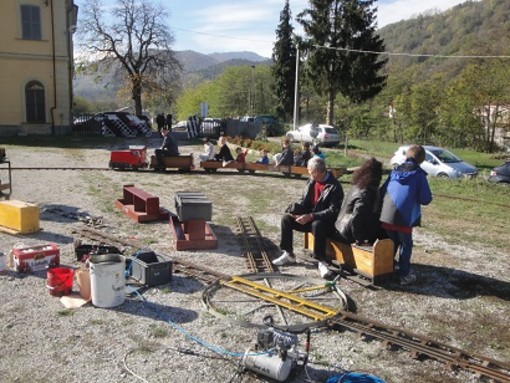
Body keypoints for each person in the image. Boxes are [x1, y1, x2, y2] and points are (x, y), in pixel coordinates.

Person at [272, 157, 344, 279]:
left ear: (318, 172)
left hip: (325, 223)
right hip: (310, 218)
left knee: (317, 224)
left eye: (310, 172)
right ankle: (289, 254)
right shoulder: (311, 180)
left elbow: (333, 211)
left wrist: (311, 216)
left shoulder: (335, 187)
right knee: (286, 219)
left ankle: (321, 261)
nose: (309, 174)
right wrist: (295, 211)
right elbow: (304, 201)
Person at [379, 144, 433, 286]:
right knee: (406, 244)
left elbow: (382, 190)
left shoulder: (394, 171)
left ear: (406, 156)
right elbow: (426, 199)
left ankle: (387, 268)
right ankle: (404, 275)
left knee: (392, 242)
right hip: (404, 216)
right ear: (421, 160)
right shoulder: (419, 175)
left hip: (387, 214)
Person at [334, 158, 384, 246]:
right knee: (383, 230)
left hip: (340, 226)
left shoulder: (357, 186)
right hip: (347, 233)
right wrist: (359, 240)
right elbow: (356, 218)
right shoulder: (365, 193)